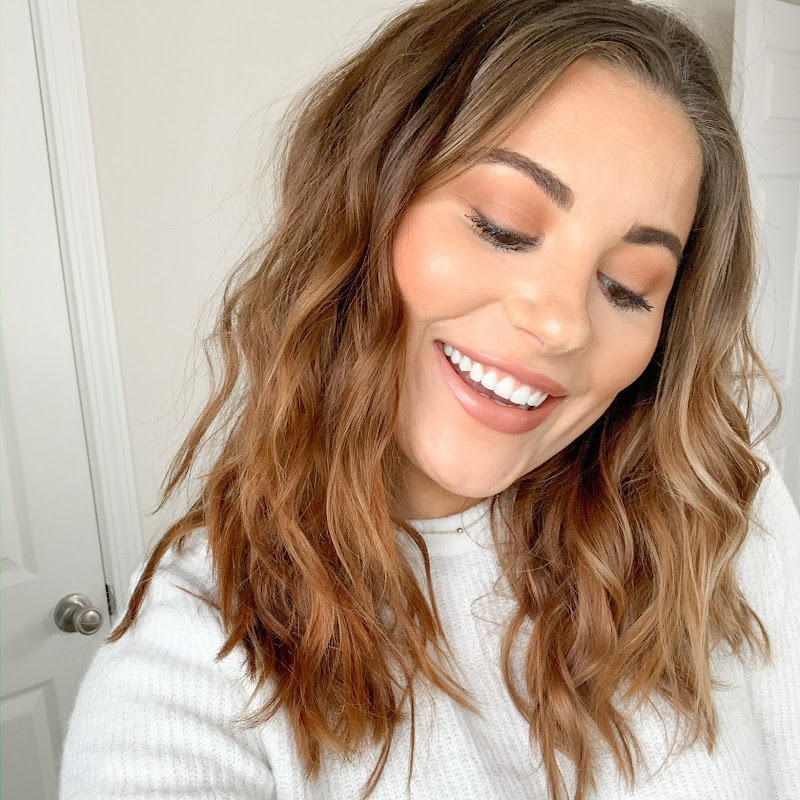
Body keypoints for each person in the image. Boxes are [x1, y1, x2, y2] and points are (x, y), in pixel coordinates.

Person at [58, 0, 800, 798]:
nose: (561, 323)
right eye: (502, 227)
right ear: (365, 205)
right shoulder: (194, 653)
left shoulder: (717, 502)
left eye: (627, 287)